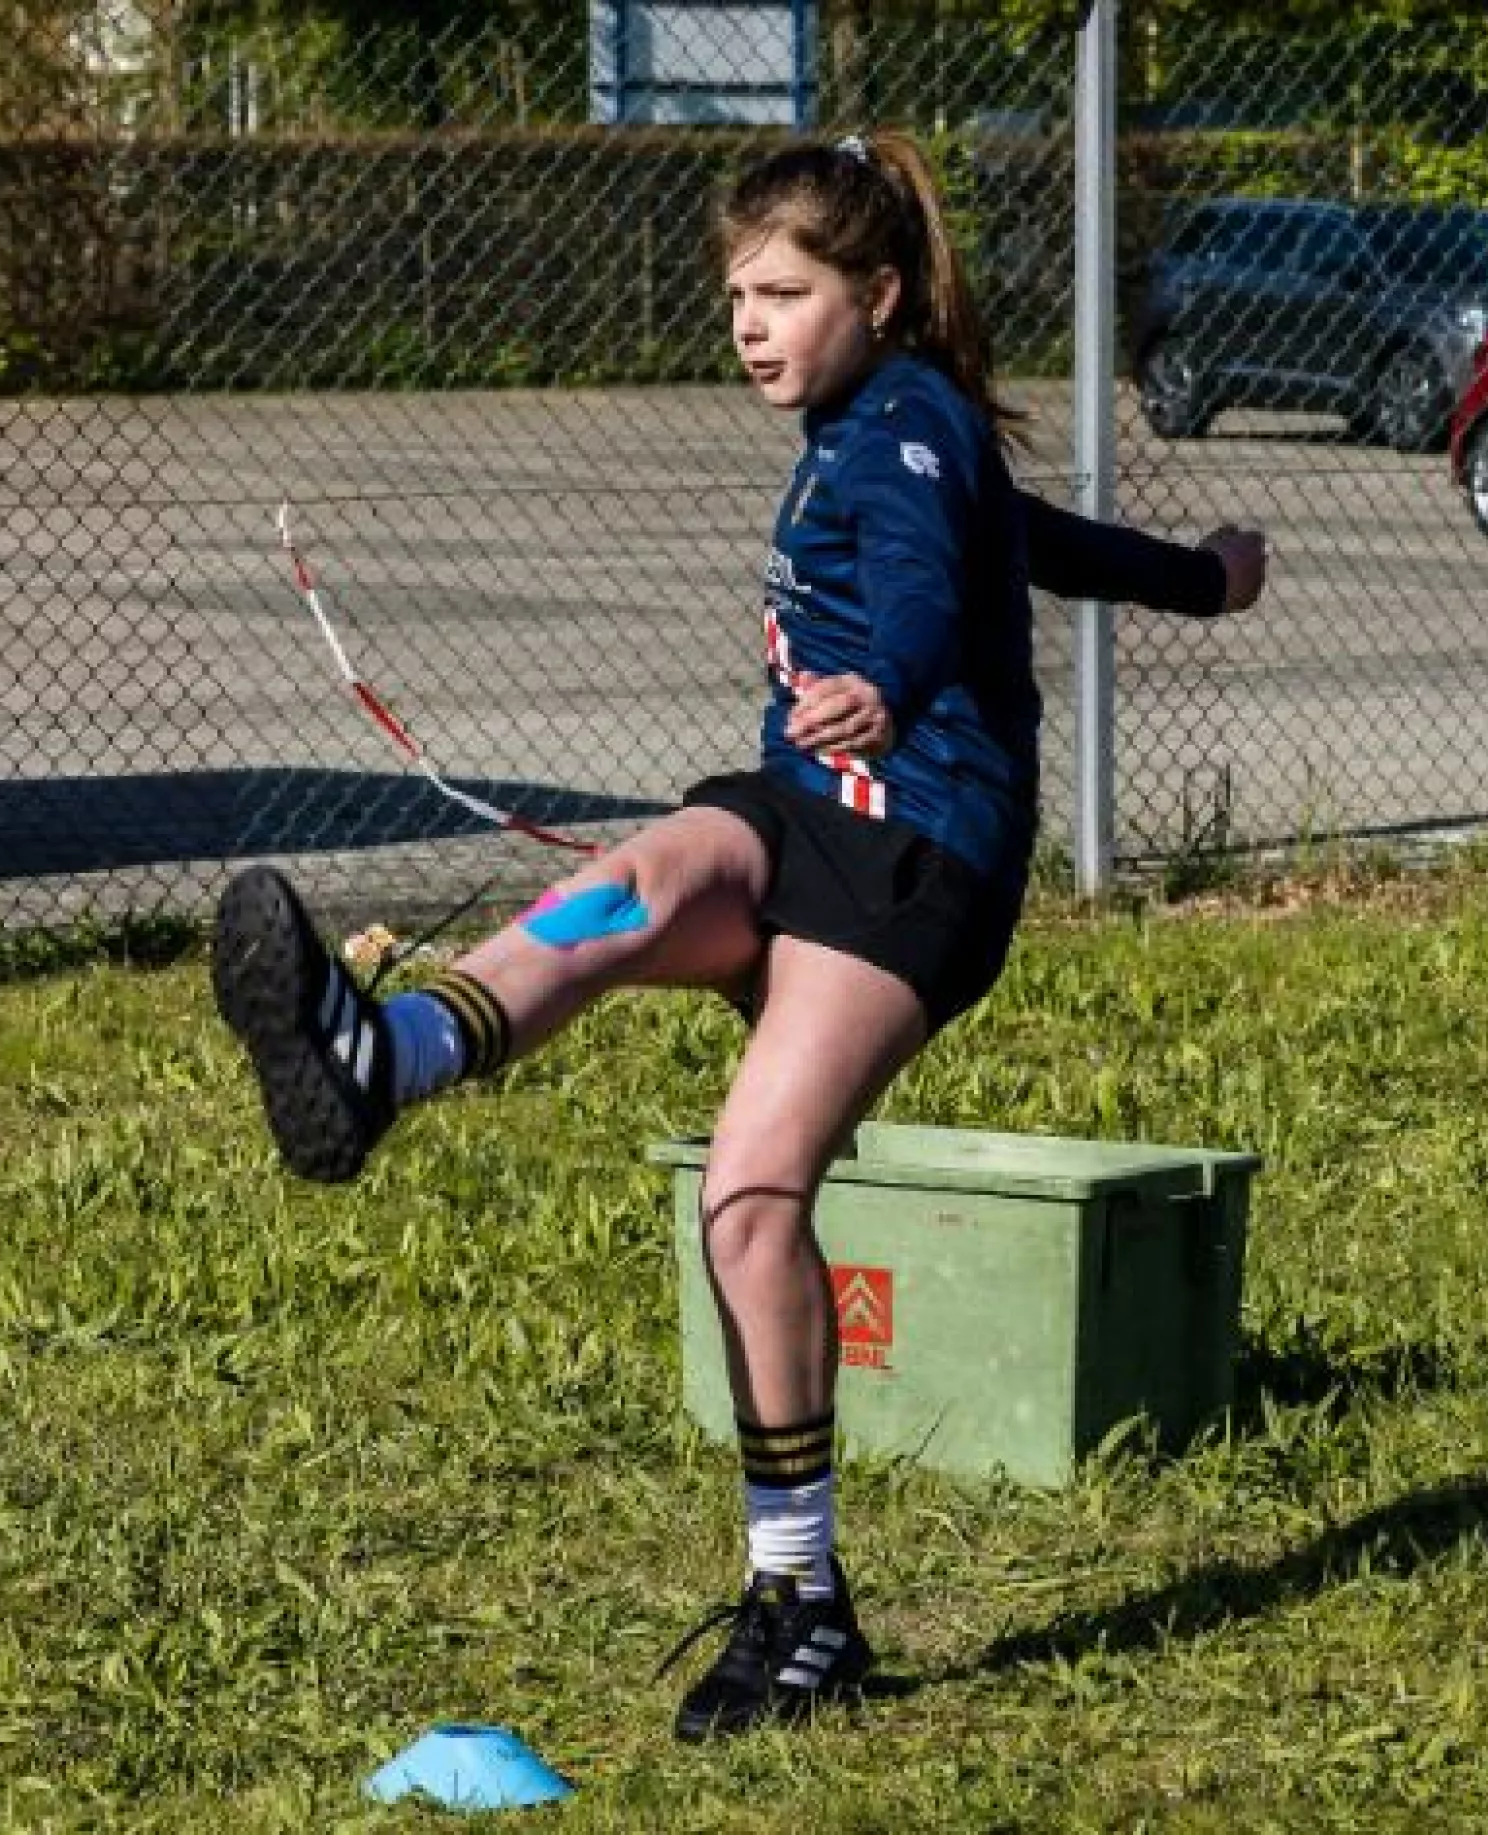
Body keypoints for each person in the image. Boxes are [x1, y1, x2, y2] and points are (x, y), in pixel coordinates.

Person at [209, 129, 1268, 1744]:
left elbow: (924, 592)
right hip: (805, 816)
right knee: (656, 867)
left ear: (880, 293)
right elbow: (1036, 539)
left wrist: (894, 686)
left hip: (916, 860)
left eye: (785, 291)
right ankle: (387, 1054)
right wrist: (1202, 577)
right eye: (736, 295)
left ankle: (805, 1607)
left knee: (750, 1200)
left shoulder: (903, 426)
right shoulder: (890, 425)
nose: (750, 322)